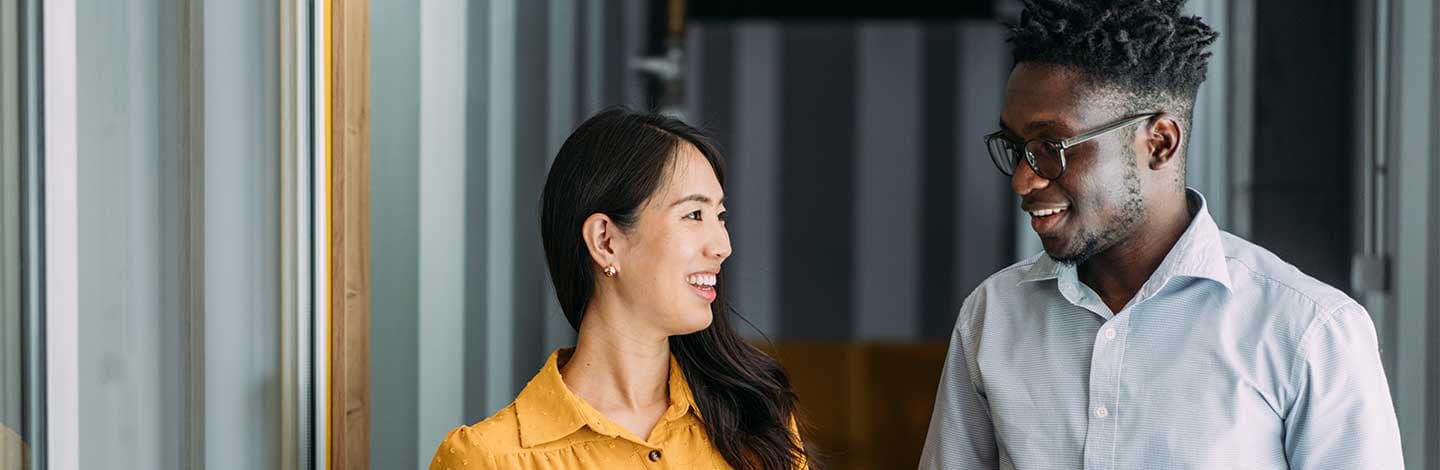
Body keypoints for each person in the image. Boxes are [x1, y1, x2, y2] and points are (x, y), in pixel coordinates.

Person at [919, 0, 1404, 468]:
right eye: (1016, 148)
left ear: (1158, 143)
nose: (1023, 180)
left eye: (1051, 147)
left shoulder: (1307, 330)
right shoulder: (993, 314)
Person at [430, 108, 812, 469]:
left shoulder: (758, 422)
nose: (722, 246)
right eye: (694, 214)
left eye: (720, 215)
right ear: (606, 241)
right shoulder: (491, 459)